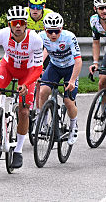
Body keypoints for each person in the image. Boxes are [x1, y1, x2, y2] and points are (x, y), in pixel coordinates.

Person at [0, 5, 44, 169]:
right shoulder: (2, 35)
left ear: (25, 25)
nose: (17, 26)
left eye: (21, 22)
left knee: (23, 111)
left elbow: (37, 68)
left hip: (27, 73)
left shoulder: (35, 39)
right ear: (9, 24)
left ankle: (18, 150)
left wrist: (26, 84)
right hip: (7, 68)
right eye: (14, 22)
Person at [36, 12, 83, 145]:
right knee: (43, 91)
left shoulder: (69, 37)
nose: (53, 35)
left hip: (70, 68)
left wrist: (72, 80)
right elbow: (35, 55)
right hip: (55, 66)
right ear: (45, 30)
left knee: (68, 101)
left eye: (56, 31)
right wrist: (37, 69)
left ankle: (74, 127)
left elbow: (78, 61)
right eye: (50, 31)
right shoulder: (41, 37)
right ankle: (43, 123)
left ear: (61, 29)